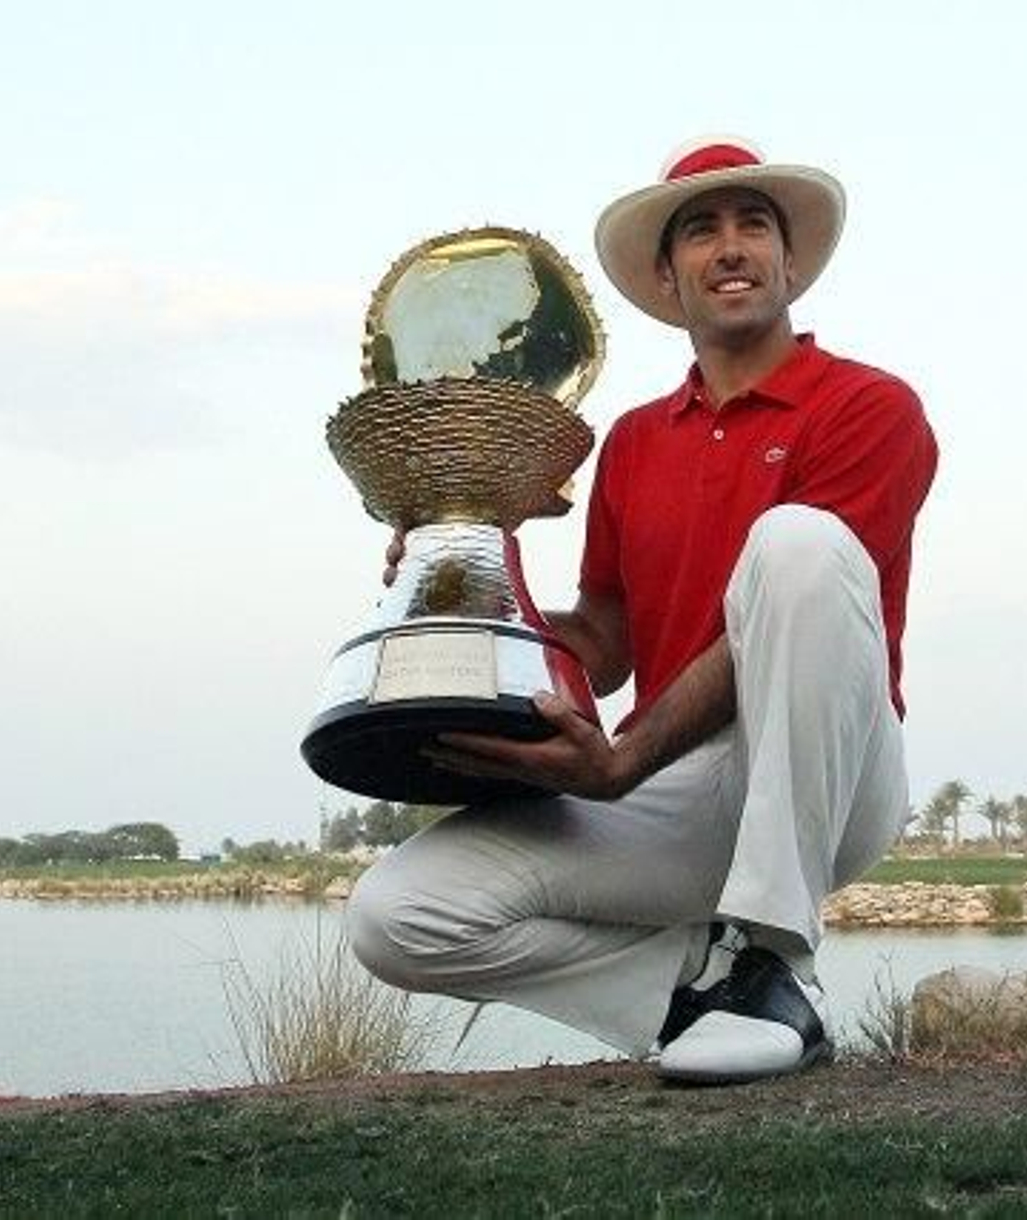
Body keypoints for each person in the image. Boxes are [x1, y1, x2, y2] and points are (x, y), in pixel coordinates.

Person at [347, 136, 937, 1083]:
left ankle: (775, 948)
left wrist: (622, 759)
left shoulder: (870, 407)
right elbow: (606, 643)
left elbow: (799, 614)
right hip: (676, 779)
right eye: (701, 231)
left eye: (754, 226)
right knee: (396, 917)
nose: (730, 247)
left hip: (831, 770)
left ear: (791, 264)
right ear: (670, 278)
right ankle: (707, 994)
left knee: (800, 546)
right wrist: (469, 563)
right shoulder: (628, 443)